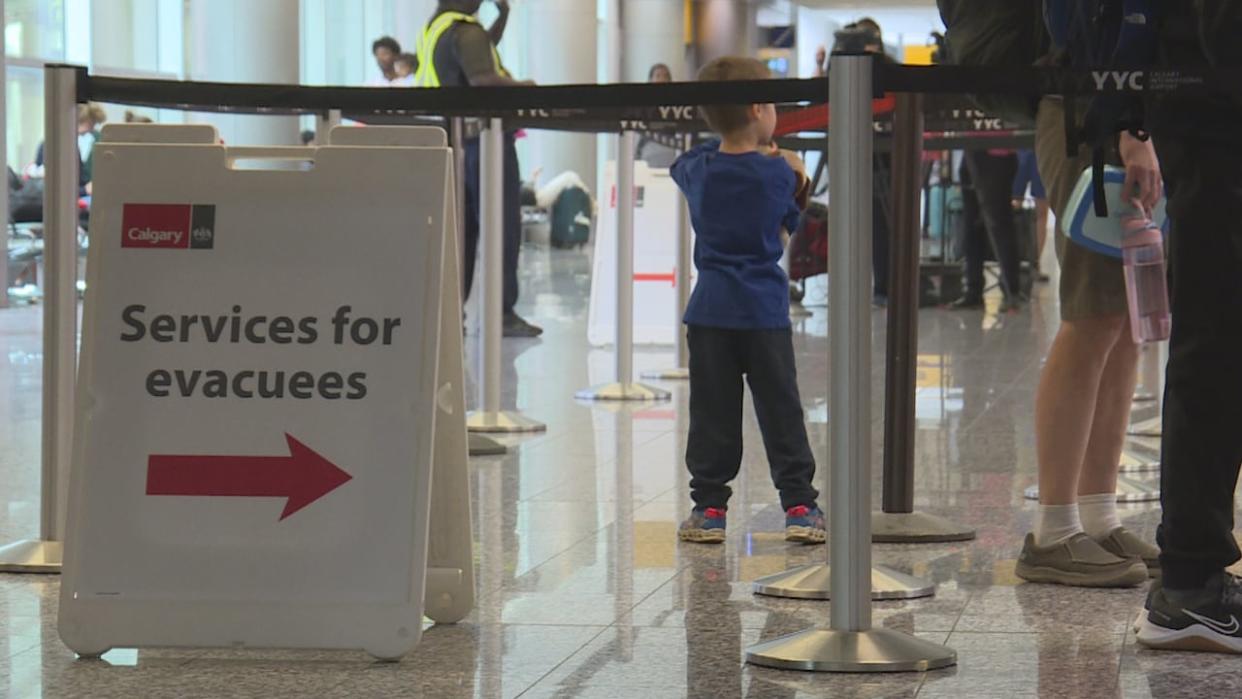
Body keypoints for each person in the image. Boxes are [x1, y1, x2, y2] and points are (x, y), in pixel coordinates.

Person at [670, 56, 824, 546]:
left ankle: (709, 507)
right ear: (759, 109)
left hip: (710, 310)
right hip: (763, 310)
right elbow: (783, 227)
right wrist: (796, 173)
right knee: (780, 407)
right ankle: (799, 503)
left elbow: (685, 162)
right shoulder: (778, 174)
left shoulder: (698, 169)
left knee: (712, 411)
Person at [1014, 95, 1161, 585]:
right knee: (1093, 314)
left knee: (1123, 322)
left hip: (1123, 118)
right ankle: (1052, 530)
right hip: (1095, 112)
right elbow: (1111, 34)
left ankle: (1098, 515)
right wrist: (1131, 131)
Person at [1136, 2, 1242, 654]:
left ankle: (1193, 574)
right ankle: (1191, 582)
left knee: (1217, 336)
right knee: (1217, 338)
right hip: (1213, 104)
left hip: (1205, 98)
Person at [414, 0, 541, 337]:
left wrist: (504, 16)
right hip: (486, 141)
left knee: (462, 233)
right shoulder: (468, 31)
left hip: (454, 141)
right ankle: (502, 313)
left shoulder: (437, 28)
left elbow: (480, 51)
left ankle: (452, 312)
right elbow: (482, 76)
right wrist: (526, 88)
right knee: (501, 228)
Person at [951, 149, 1025, 312]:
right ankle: (973, 289)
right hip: (971, 149)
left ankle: (1011, 289)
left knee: (999, 224)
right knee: (971, 226)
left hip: (998, 151)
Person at [1012, 149, 1051, 283]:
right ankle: (1012, 263)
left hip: (1041, 146)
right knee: (1014, 205)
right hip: (1020, 145)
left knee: (1041, 210)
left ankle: (1035, 264)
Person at [636, 63, 679, 169]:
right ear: (650, 80)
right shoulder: (642, 105)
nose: (662, 79)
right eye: (658, 76)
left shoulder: (677, 104)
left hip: (672, 150)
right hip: (649, 151)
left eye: (665, 76)